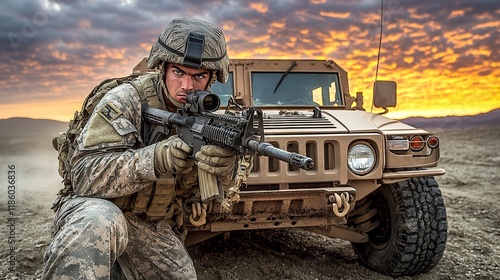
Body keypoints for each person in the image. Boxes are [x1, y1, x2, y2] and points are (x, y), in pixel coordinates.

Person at [42, 18, 235, 279]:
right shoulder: (126, 99)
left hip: (146, 222)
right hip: (96, 208)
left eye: (198, 76)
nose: (187, 86)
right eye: (178, 72)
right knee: (99, 221)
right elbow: (84, 175)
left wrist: (225, 170)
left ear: (212, 78)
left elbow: (215, 193)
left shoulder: (209, 119)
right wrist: (154, 159)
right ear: (163, 68)